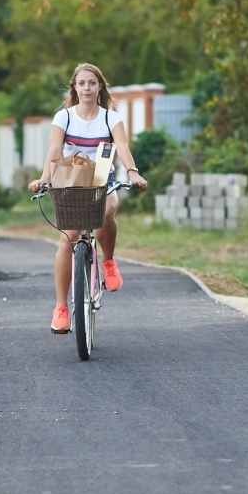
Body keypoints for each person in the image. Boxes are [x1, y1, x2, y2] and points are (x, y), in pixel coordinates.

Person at [29, 63, 147, 333]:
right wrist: (43, 179)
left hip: (102, 178)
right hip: (70, 180)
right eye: (81, 83)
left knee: (108, 211)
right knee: (68, 236)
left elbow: (123, 147)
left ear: (100, 87)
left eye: (91, 83)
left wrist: (132, 171)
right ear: (74, 87)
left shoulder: (110, 119)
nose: (86, 88)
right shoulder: (65, 118)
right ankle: (61, 307)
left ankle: (108, 261)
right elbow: (54, 149)